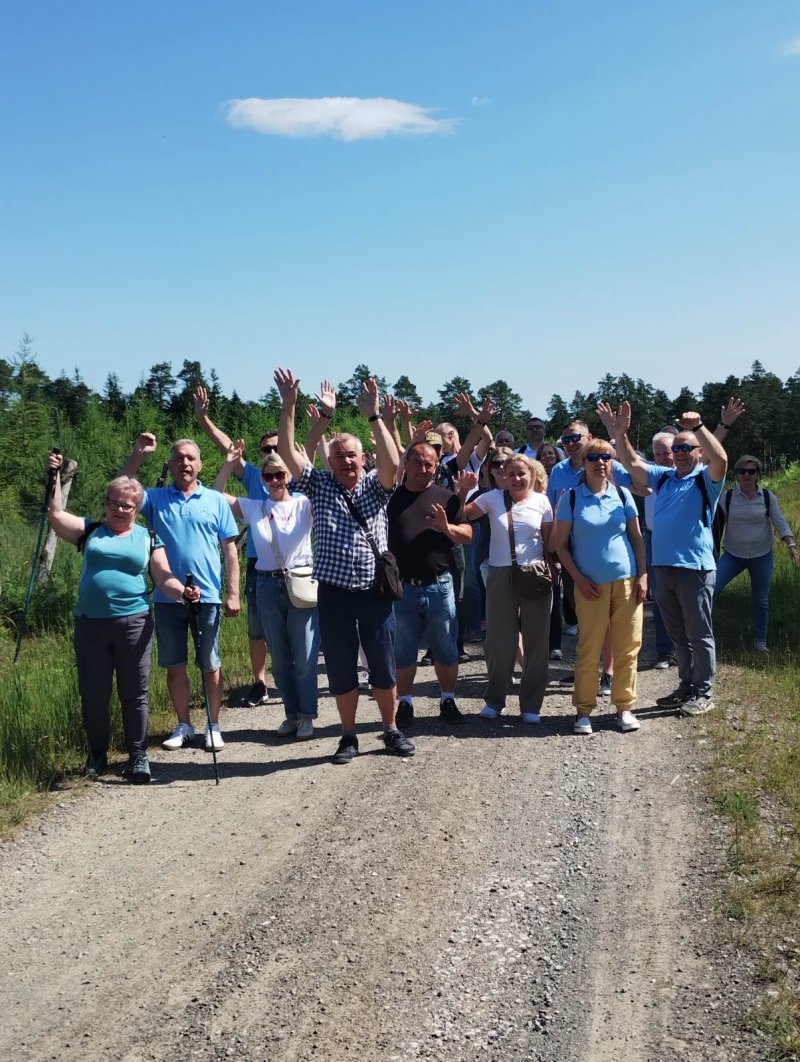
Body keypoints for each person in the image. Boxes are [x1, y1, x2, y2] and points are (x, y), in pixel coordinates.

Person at [274, 368, 415, 765]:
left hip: (374, 592)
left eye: (351, 455)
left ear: (362, 458)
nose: (345, 461)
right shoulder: (318, 485)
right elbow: (287, 451)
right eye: (338, 456)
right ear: (330, 462)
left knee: (383, 667)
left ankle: (390, 729)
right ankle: (348, 735)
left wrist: (375, 416)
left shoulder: (376, 486)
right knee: (340, 669)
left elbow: (394, 461)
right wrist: (290, 405)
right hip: (334, 594)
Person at [45, 453, 200, 783]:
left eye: (127, 506)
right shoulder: (90, 531)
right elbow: (55, 515)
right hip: (90, 624)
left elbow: (164, 577)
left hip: (134, 623)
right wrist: (54, 475)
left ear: (136, 508)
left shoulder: (148, 538)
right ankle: (97, 754)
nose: (119, 509)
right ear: (106, 503)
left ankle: (138, 755)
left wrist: (183, 593)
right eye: (113, 503)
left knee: (134, 693)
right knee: (94, 694)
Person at [121, 434, 240, 750]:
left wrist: (233, 592)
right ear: (170, 465)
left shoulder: (215, 500)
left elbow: (230, 551)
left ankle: (213, 725)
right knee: (175, 665)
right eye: (179, 458)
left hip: (208, 597)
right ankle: (184, 724)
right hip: (167, 597)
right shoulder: (156, 498)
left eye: (190, 458)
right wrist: (138, 455)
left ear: (200, 464)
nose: (185, 463)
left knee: (210, 664)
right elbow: (122, 491)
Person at [608, 402, 727, 715]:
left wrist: (698, 426)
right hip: (664, 567)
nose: (681, 453)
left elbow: (721, 459)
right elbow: (633, 463)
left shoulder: (705, 479)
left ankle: (704, 692)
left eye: (687, 448)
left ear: (699, 451)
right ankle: (687, 686)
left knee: (699, 635)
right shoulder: (664, 477)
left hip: (695, 569)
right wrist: (620, 434)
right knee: (678, 635)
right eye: (677, 448)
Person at [214, 447, 321, 737]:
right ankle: (292, 714)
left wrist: (307, 456)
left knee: (305, 655)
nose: (275, 480)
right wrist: (229, 465)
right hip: (266, 585)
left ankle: (307, 715)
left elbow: (320, 486)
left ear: (288, 476)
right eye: (269, 476)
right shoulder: (255, 507)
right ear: (262, 479)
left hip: (301, 583)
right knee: (280, 659)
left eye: (280, 474)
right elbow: (215, 495)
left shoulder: (304, 503)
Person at [193, 386, 280, 708]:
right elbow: (228, 448)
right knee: (256, 630)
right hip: (258, 563)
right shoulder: (255, 477)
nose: (270, 452)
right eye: (265, 449)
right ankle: (260, 682)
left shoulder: (294, 476)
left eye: (276, 447)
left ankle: (293, 680)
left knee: (290, 628)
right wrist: (204, 419)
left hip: (292, 566)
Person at [553, 439, 648, 734]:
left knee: (628, 648)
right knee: (589, 648)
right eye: (592, 457)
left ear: (612, 462)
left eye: (606, 457)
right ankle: (583, 711)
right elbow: (559, 544)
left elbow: (636, 538)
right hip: (589, 586)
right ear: (583, 462)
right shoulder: (571, 499)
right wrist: (578, 578)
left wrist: (643, 575)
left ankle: (624, 708)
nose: (600, 463)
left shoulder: (622, 494)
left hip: (627, 581)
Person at [388, 441, 473, 728]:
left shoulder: (447, 498)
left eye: (429, 464)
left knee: (446, 648)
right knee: (403, 650)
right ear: (406, 463)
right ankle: (405, 703)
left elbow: (468, 535)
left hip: (439, 585)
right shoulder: (391, 498)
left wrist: (446, 527)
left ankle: (448, 700)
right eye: (417, 462)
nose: (422, 469)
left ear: (437, 467)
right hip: (402, 587)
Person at [463, 454, 553, 722]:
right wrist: (462, 491)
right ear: (503, 475)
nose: (516, 478)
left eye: (521, 473)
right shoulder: (491, 498)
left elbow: (549, 543)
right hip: (500, 573)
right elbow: (464, 514)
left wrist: (554, 573)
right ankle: (494, 700)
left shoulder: (542, 502)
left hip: (535, 573)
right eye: (510, 473)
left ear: (532, 475)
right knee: (498, 642)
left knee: (537, 641)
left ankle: (531, 705)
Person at [547, 419, 633, 639]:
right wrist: (551, 552)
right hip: (569, 546)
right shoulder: (558, 471)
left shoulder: (612, 465)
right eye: (566, 439)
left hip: (605, 546)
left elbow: (638, 487)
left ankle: (607, 658)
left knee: (611, 613)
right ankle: (592, 651)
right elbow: (550, 509)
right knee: (583, 604)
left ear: (589, 437)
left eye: (576, 438)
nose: (571, 443)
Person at [715, 454, 798, 650]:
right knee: (710, 589)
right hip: (733, 555)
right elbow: (716, 525)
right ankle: (705, 635)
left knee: (760, 600)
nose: (746, 475)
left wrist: (791, 546)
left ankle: (761, 641)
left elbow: (780, 522)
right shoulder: (727, 497)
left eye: (751, 471)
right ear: (737, 474)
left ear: (758, 474)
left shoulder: (768, 497)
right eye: (741, 471)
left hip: (761, 556)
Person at [644, 429, 678, 668]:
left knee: (685, 598)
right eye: (657, 454)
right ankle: (665, 652)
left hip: (681, 541)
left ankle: (685, 651)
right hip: (653, 539)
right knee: (660, 598)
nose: (662, 458)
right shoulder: (649, 474)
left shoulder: (689, 475)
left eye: (667, 452)